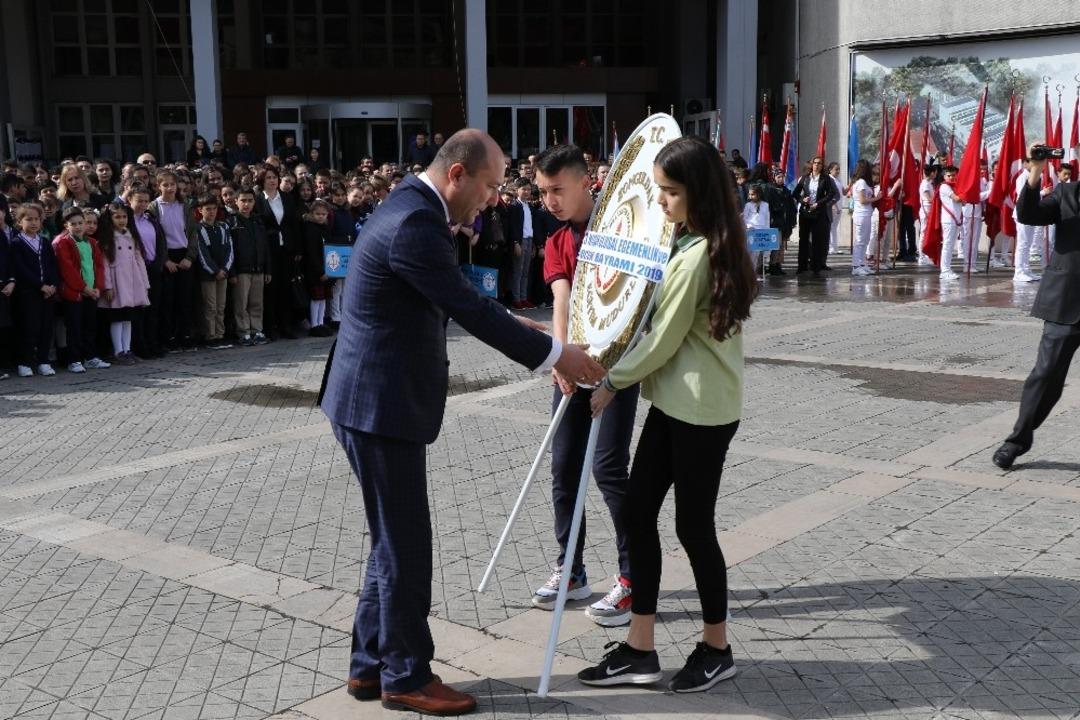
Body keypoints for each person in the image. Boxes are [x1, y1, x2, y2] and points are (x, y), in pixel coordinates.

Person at [317, 129, 604, 716]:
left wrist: (536, 334)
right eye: (491, 185)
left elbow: (460, 300)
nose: (494, 198)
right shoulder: (416, 223)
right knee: (405, 545)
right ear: (457, 174)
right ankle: (406, 675)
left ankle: (369, 666)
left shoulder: (410, 203)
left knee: (389, 541)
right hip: (379, 406)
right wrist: (556, 354)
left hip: (371, 399)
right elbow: (467, 307)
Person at [578, 135, 757, 692]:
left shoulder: (702, 252)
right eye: (657, 189)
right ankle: (640, 647)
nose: (659, 201)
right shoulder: (691, 240)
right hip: (679, 403)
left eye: (670, 192)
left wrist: (611, 381)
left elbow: (663, 339)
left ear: (698, 193)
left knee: (692, 527)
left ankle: (716, 647)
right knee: (636, 512)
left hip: (701, 411)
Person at [534, 143, 639, 626]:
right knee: (564, 468)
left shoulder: (622, 231)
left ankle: (634, 577)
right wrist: (559, 357)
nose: (549, 200)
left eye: (557, 190)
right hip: (572, 367)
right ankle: (571, 570)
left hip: (615, 369)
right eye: (542, 192)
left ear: (585, 183)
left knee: (609, 469)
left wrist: (613, 378)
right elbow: (562, 299)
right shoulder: (557, 242)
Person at [994, 145, 1080, 470]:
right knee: (1045, 377)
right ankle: (1016, 442)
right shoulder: (1066, 193)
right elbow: (1028, 215)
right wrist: (1035, 169)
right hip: (1065, 301)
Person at [52, 206, 109, 373]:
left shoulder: (91, 242)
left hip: (91, 292)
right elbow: (67, 269)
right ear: (66, 225)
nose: (78, 227)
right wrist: (83, 288)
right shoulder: (63, 243)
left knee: (90, 326)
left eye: (80, 223)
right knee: (74, 327)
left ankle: (90, 357)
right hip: (74, 293)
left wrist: (97, 287)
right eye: (73, 224)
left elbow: (98, 266)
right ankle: (74, 359)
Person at [148, 170, 197, 351]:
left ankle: (184, 335)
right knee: (167, 301)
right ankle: (167, 337)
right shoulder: (154, 207)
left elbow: (192, 234)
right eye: (165, 184)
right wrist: (165, 260)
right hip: (166, 257)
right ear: (158, 186)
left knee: (184, 300)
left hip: (184, 255)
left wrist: (189, 258)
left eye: (172, 184)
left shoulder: (184, 206)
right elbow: (155, 236)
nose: (170, 188)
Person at [96, 201, 150, 364]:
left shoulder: (131, 235)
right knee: (117, 317)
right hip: (116, 280)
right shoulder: (107, 238)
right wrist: (107, 286)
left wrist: (144, 283)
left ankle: (127, 349)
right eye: (117, 217)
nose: (121, 220)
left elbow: (139, 259)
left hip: (132, 280)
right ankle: (118, 351)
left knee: (128, 317)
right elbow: (103, 264)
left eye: (124, 216)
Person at [10, 204, 58, 377]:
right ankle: (25, 362)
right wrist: (40, 285)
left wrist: (52, 285)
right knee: (29, 327)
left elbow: (52, 265)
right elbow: (20, 269)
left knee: (46, 327)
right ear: (19, 221)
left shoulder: (44, 241)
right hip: (28, 293)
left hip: (48, 293)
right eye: (28, 219)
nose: (33, 222)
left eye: (37, 219)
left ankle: (44, 361)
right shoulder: (16, 243)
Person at [229, 188, 271, 346]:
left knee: (257, 303)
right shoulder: (232, 222)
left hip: (258, 269)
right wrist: (232, 272)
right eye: (243, 200)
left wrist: (267, 269)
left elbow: (265, 247)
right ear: (236, 202)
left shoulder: (258, 221)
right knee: (241, 303)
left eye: (250, 201)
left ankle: (256, 330)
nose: (246, 204)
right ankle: (243, 332)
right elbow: (230, 250)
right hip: (241, 270)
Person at [129, 185, 167, 359]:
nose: (143, 204)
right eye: (139, 201)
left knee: (154, 309)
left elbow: (161, 243)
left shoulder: (150, 219)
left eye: (146, 201)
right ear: (130, 200)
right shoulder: (126, 221)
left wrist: (159, 263)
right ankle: (140, 345)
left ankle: (153, 343)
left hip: (154, 268)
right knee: (139, 310)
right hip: (136, 270)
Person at [194, 196, 233, 349]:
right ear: (200, 210)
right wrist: (215, 270)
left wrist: (225, 269)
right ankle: (210, 335)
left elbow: (229, 249)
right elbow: (202, 253)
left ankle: (220, 333)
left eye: (214, 209)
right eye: (208, 209)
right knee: (210, 305)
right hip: (208, 275)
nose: (211, 212)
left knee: (221, 305)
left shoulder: (223, 227)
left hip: (223, 273)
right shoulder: (199, 228)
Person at [792, 156, 840, 276]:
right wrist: (803, 200)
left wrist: (819, 203)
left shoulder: (826, 178)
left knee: (817, 241)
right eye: (815, 163)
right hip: (805, 212)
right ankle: (801, 266)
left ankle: (816, 266)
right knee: (803, 240)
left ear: (822, 166)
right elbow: (795, 193)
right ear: (811, 165)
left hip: (819, 212)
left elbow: (832, 193)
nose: (817, 165)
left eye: (819, 163)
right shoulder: (804, 178)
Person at [303, 199, 334, 337]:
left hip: (325, 269)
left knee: (323, 298)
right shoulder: (310, 229)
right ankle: (314, 324)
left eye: (323, 214)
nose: (320, 216)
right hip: (315, 271)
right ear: (312, 214)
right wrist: (320, 271)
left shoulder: (326, 229)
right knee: (316, 298)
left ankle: (320, 322)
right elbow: (311, 253)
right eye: (317, 214)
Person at [849, 159, 881, 276]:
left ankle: (862, 264)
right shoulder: (861, 182)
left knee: (865, 240)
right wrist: (876, 198)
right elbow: (863, 200)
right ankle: (856, 266)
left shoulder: (863, 182)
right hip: (861, 214)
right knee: (860, 241)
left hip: (866, 214)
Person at [1013, 157, 1042, 283]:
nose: (1034, 164)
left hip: (1031, 213)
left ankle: (1026, 269)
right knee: (1023, 244)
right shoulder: (1022, 178)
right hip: (1022, 213)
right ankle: (1018, 272)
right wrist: (1043, 193)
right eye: (1031, 162)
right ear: (1025, 163)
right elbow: (1023, 195)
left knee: (1028, 244)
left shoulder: (1035, 177)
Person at [938, 165, 962, 281]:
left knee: (950, 246)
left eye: (953, 175)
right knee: (947, 245)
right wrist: (967, 194)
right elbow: (957, 199)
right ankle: (945, 270)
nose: (952, 177)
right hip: (948, 220)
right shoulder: (944, 187)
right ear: (944, 176)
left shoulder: (955, 187)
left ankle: (947, 268)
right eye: (949, 175)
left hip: (955, 220)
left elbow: (962, 202)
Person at [826, 161, 844, 254]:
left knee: (834, 227)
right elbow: (831, 194)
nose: (838, 171)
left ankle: (835, 247)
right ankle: (830, 247)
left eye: (839, 169)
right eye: (836, 169)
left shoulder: (839, 179)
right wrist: (834, 205)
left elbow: (842, 192)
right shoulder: (829, 179)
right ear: (830, 170)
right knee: (831, 227)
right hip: (833, 206)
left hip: (840, 206)